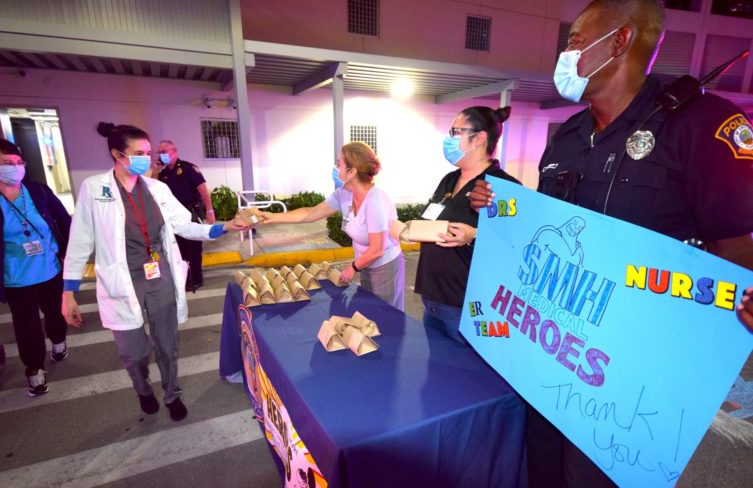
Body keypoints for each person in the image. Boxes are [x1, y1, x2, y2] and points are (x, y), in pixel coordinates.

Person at [470, 1, 753, 486]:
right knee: (543, 473)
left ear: (619, 41)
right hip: (554, 359)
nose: (565, 54)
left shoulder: (700, 125)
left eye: (576, 41)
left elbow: (737, 247)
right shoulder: (568, 135)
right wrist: (501, 210)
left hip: (632, 380)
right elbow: (547, 230)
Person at [61, 123, 242, 421]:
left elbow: (184, 225)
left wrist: (223, 227)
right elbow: (80, 241)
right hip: (122, 280)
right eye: (139, 153)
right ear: (117, 154)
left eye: (148, 153)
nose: (146, 159)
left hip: (160, 275)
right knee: (133, 354)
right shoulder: (94, 189)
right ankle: (143, 389)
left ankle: (172, 393)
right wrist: (69, 292)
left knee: (167, 344)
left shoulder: (158, 189)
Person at [413, 106, 520, 343]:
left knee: (464, 365)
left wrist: (474, 235)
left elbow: (514, 244)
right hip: (432, 297)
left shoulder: (502, 187)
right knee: (435, 363)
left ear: (479, 138)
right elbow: (432, 218)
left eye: (456, 132)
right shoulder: (450, 179)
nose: (449, 139)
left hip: (465, 305)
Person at [258, 141, 406, 310]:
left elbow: (377, 249)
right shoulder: (344, 194)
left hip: (385, 266)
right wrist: (272, 217)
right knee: (370, 312)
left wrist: (352, 267)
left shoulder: (375, 201)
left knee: (386, 315)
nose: (335, 169)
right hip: (365, 263)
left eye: (338, 164)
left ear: (352, 172)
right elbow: (310, 213)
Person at [0, 138, 71, 397]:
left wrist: (73, 254)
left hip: (50, 268)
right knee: (26, 326)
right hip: (15, 276)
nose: (17, 168)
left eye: (19, 162)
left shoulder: (39, 191)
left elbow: (64, 221)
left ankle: (59, 340)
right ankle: (35, 368)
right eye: (8, 163)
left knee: (54, 313)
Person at [155, 140, 216, 292]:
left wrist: (210, 210)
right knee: (180, 249)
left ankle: (196, 279)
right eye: (159, 153)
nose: (162, 155)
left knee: (193, 248)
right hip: (173, 217)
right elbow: (153, 188)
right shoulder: (163, 173)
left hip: (191, 214)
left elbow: (203, 189)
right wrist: (155, 170)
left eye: (164, 152)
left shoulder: (189, 168)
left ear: (174, 151)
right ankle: (185, 277)